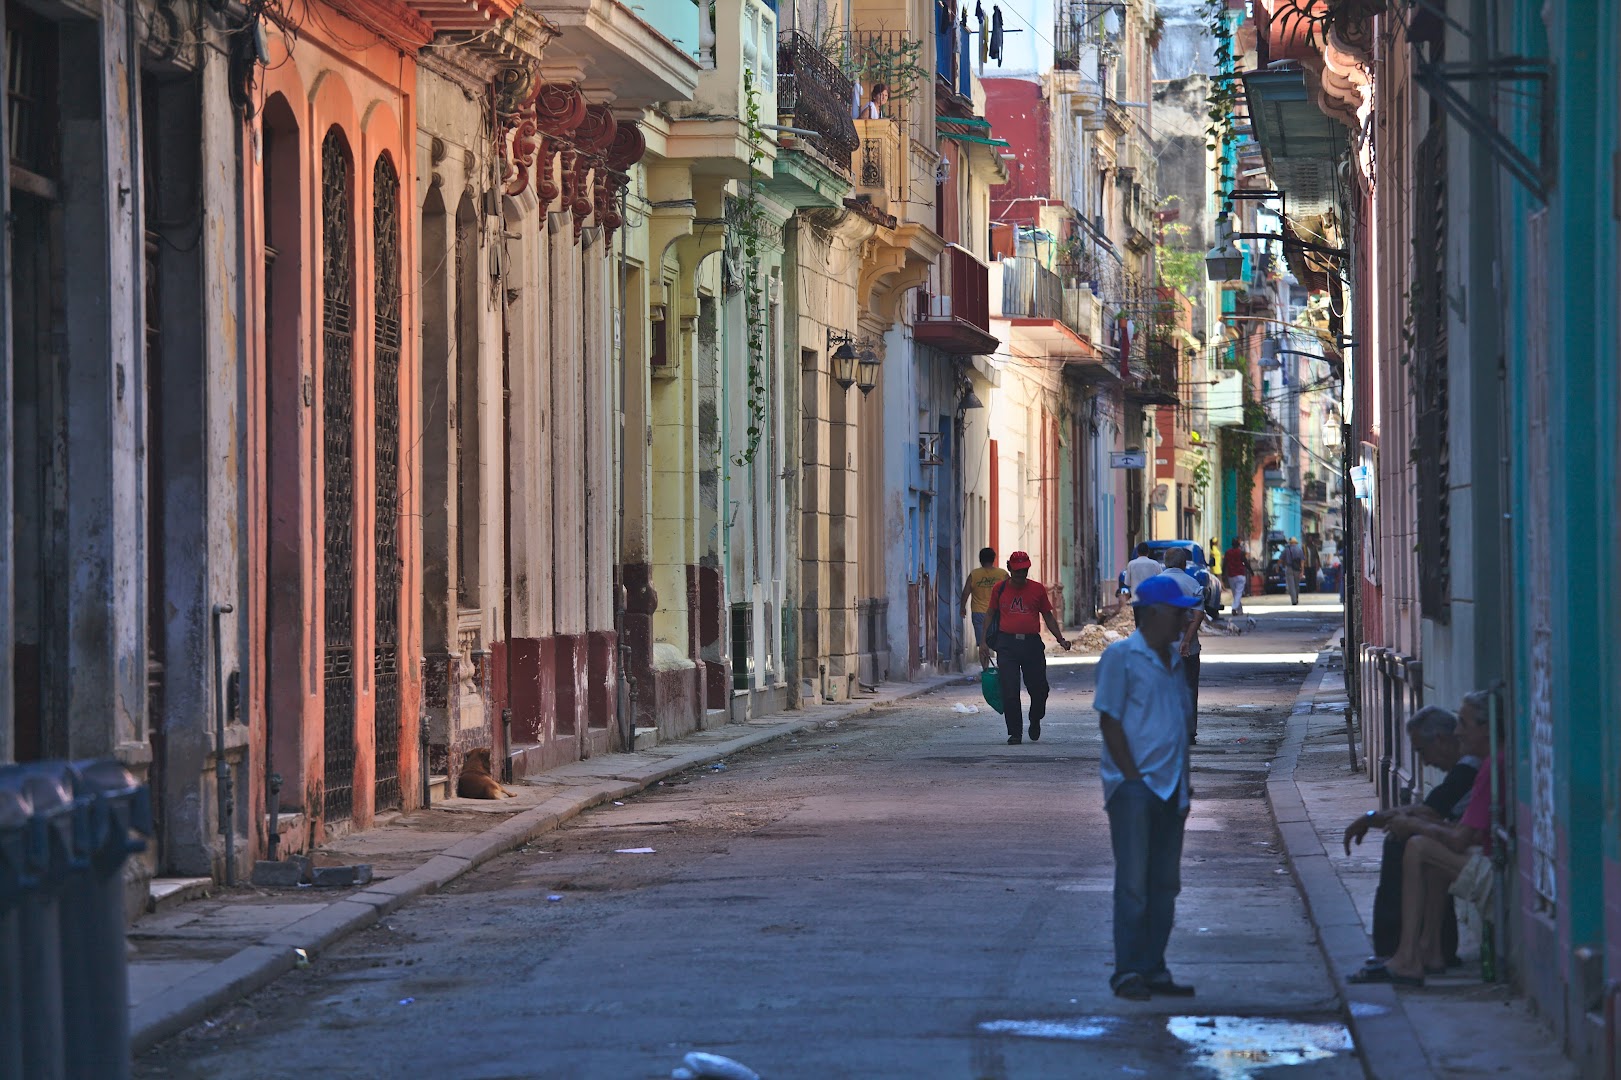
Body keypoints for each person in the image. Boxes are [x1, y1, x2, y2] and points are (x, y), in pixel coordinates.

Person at [1096, 575, 1203, 1000]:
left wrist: (1185, 786)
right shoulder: (1121, 657)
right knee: (1134, 884)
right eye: (1179, 611)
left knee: (1164, 884)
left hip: (1171, 787)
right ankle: (1128, 971)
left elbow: (1177, 726)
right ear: (1155, 614)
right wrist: (1132, 777)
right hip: (1134, 788)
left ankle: (1154, 966)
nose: (1185, 619)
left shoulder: (1175, 661)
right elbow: (1110, 720)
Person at [1353, 691, 1499, 986]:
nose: (1459, 733)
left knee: (1415, 845)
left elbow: (1446, 828)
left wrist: (1409, 825)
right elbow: (1439, 817)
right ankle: (1428, 949)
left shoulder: (1481, 767)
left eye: (1464, 725)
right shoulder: (1484, 766)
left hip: (1492, 864)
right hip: (1484, 853)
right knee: (1418, 843)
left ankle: (1405, 953)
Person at [988, 551, 1072, 744]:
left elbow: (1048, 616)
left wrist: (1060, 638)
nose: (1021, 575)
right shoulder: (999, 589)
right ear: (1009, 568)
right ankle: (1015, 732)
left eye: (1024, 571)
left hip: (1032, 645)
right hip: (1007, 644)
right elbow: (990, 614)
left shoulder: (1037, 589)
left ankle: (1035, 717)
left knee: (1039, 689)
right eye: (1017, 571)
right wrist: (984, 643)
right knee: (1009, 689)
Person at [1155, 550, 1206, 744]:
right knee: (1189, 688)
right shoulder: (1193, 584)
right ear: (1184, 564)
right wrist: (1186, 640)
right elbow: (1198, 615)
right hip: (1188, 650)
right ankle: (1188, 732)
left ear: (1165, 563)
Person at [959, 547, 1009, 667]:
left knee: (983, 643)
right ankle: (1002, 668)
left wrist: (962, 607)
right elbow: (1011, 592)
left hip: (979, 613)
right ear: (993, 559)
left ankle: (985, 669)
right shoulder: (1002, 574)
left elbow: (966, 592)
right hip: (998, 613)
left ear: (980, 560)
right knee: (1000, 641)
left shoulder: (974, 574)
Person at [1222, 539, 1251, 616]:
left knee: (1236, 593)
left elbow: (1224, 563)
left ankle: (1240, 610)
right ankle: (1234, 608)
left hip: (1231, 575)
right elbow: (1245, 562)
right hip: (1240, 575)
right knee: (1238, 593)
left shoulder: (1227, 552)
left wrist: (1223, 574)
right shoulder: (1240, 552)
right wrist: (1251, 571)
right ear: (1238, 545)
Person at [1282, 537, 1305, 605]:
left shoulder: (1286, 549)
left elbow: (1281, 559)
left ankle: (1294, 600)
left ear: (1290, 543)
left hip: (1289, 568)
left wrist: (1277, 566)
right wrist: (1302, 571)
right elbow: (1302, 561)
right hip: (1297, 569)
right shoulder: (1300, 550)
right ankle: (1296, 598)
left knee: (1291, 585)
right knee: (1296, 585)